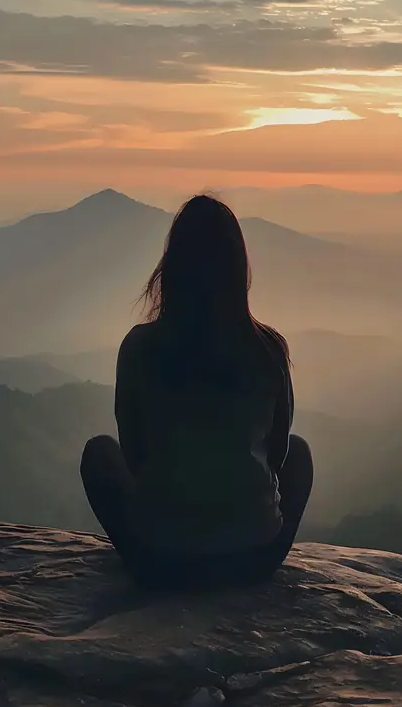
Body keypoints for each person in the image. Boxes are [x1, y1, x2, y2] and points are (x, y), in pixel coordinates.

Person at [80, 194, 313, 590]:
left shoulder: (140, 348)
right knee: (302, 453)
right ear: (238, 269)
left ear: (171, 268)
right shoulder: (267, 349)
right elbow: (278, 455)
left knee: (99, 454)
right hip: (252, 560)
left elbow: (134, 455)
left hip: (161, 560)